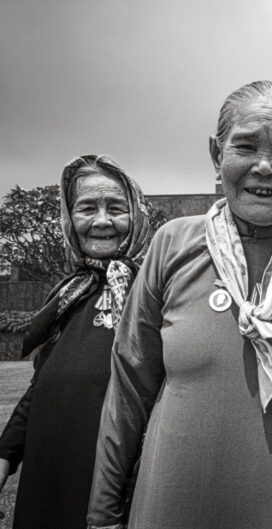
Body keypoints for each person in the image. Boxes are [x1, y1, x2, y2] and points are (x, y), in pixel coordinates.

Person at [87, 81, 272, 529]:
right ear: (217, 155)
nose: (264, 167)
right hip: (172, 510)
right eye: (245, 146)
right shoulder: (173, 245)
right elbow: (129, 389)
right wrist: (103, 514)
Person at [0, 155, 150, 529]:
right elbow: (43, 383)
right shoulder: (67, 293)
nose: (101, 221)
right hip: (47, 475)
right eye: (87, 208)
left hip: (115, 481)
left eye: (116, 208)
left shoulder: (155, 290)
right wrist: (5, 454)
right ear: (70, 218)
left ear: (136, 214)